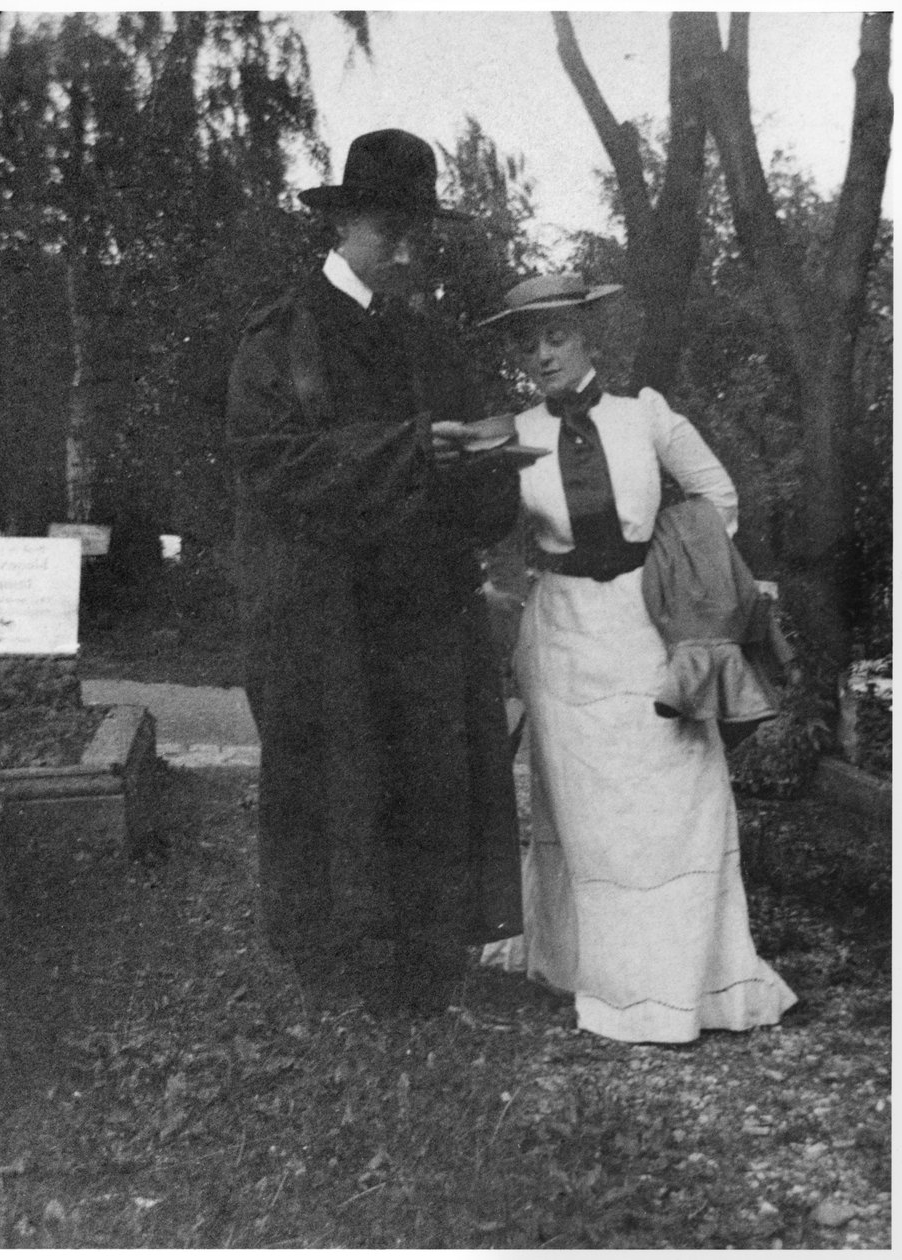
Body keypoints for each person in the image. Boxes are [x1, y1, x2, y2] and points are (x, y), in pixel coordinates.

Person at [226, 130, 524, 1018]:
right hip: (325, 607)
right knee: (337, 773)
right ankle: (333, 968)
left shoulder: (433, 342)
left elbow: (475, 470)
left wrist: (490, 463)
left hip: (427, 604)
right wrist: (407, 451)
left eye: (417, 231)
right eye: (389, 228)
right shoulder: (281, 341)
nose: (406, 248)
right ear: (344, 222)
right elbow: (270, 467)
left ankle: (430, 963)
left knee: (433, 772)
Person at [480, 273, 797, 1044]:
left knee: (671, 800)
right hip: (560, 638)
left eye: (557, 336)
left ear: (589, 337)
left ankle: (689, 982)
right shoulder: (512, 433)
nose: (543, 354)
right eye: (528, 342)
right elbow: (491, 538)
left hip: (646, 629)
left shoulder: (643, 415)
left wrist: (678, 575)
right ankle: (603, 979)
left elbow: (717, 496)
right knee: (592, 819)